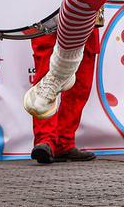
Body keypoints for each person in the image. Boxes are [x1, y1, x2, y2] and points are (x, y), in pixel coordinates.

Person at [30, 21, 100, 164]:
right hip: (49, 12)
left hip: (86, 10)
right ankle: (46, 139)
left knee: (81, 80)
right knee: (45, 74)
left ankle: (63, 141)